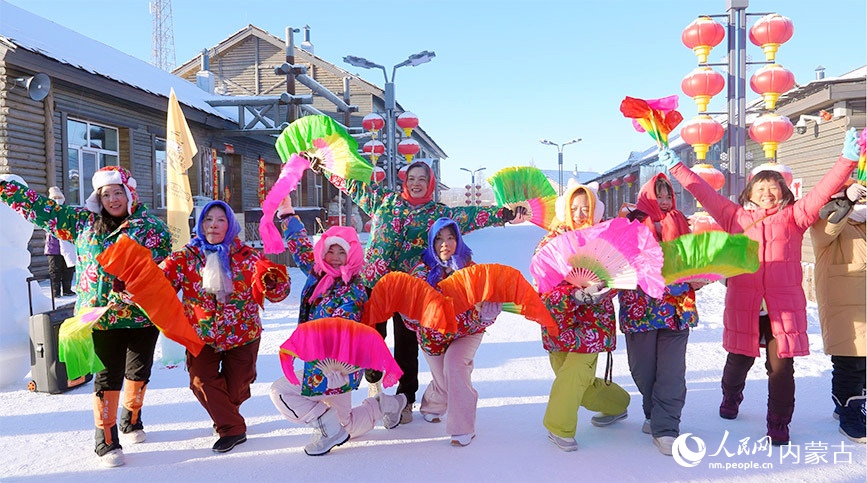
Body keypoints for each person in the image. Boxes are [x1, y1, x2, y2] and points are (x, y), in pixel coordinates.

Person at [660, 127, 860, 445]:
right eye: (761, 187)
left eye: (774, 187)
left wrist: (847, 160)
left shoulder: (795, 216)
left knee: (781, 367)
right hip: (745, 304)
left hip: (783, 308)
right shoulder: (734, 216)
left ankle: (779, 422)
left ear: (784, 192)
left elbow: (823, 191)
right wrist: (677, 166)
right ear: (749, 193)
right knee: (738, 360)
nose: (767, 193)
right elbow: (704, 192)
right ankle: (731, 397)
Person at [313, 158, 523, 423]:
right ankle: (374, 382)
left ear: (430, 184)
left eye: (422, 179)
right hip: (374, 284)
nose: (416, 183)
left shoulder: (437, 213)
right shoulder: (384, 201)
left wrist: (504, 214)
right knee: (370, 338)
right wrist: (323, 168)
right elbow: (353, 186)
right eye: (411, 178)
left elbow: (470, 216)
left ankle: (406, 398)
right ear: (405, 181)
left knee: (406, 347)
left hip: (410, 289)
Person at [0, 166, 171, 467]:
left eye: (118, 192)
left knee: (139, 371)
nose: (113, 199)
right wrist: (8, 189)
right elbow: (43, 210)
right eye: (106, 195)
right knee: (107, 375)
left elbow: (164, 266)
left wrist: (139, 282)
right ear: (98, 198)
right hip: (100, 315)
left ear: (130, 193)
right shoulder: (82, 222)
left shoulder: (152, 228)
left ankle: (131, 419)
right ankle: (106, 439)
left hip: (142, 315)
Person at [270, 198, 405, 455]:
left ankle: (327, 426)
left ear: (351, 255)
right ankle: (386, 405)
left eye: (341, 252)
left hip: (339, 366)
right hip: (319, 362)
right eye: (330, 251)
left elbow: (347, 327)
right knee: (347, 425)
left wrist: (340, 368)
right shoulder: (317, 273)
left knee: (281, 392)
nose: (334, 258)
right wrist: (287, 213)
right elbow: (300, 245)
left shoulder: (354, 289)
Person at [161, 200, 290, 453]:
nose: (213, 225)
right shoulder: (186, 257)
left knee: (238, 385)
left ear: (230, 225)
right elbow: (159, 285)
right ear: (200, 224)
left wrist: (275, 283)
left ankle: (225, 415)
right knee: (200, 380)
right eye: (208, 220)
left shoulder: (248, 257)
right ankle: (232, 428)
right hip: (201, 334)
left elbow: (278, 293)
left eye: (221, 220)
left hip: (243, 333)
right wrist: (134, 283)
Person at [536, 183, 630, 452]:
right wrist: (574, 295)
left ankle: (559, 428)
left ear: (595, 211)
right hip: (558, 323)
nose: (579, 214)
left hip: (593, 324)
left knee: (574, 376)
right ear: (565, 210)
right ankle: (618, 403)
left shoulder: (605, 241)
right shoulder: (550, 244)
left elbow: (620, 276)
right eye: (574, 208)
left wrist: (603, 289)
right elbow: (542, 289)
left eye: (586, 209)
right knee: (578, 385)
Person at [618, 173, 700, 456]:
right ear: (647, 197)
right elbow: (616, 261)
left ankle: (666, 427)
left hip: (676, 308)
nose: (664, 202)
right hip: (640, 309)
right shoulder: (630, 223)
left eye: (668, 196)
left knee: (672, 372)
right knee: (643, 370)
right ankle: (653, 412)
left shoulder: (681, 222)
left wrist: (699, 276)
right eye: (659, 196)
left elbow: (695, 258)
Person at [407, 217, 501, 447]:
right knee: (443, 379)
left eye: (450, 238)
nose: (445, 244)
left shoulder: (472, 271)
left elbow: (484, 305)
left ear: (458, 240)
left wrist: (487, 314)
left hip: (466, 332)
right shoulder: (420, 272)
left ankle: (463, 428)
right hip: (433, 337)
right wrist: (410, 317)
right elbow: (411, 311)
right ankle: (433, 404)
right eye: (439, 239)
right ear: (432, 242)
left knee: (455, 368)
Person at [810, 180, 866, 443]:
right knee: (850, 362)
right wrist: (847, 202)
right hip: (844, 303)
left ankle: (850, 406)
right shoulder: (828, 218)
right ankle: (849, 415)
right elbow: (828, 229)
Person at [44, 186, 76, 297]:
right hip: (53, 246)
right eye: (54, 198)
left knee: (68, 268)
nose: (57, 200)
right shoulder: (47, 211)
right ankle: (55, 291)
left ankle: (67, 289)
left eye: (59, 197)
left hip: (67, 244)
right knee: (55, 269)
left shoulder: (66, 211)